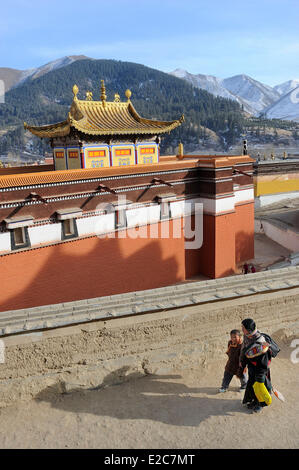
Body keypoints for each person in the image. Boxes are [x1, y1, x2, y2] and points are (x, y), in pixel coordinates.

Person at [240, 318, 279, 414]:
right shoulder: (247, 336)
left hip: (260, 369)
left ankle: (260, 404)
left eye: (243, 327)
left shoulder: (261, 343)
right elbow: (244, 351)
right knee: (253, 385)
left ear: (248, 329)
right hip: (252, 367)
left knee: (260, 387)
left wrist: (260, 376)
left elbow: (264, 362)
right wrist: (244, 364)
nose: (241, 329)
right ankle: (253, 401)